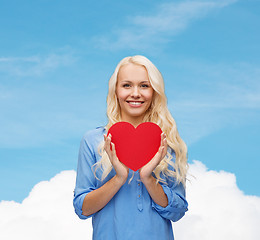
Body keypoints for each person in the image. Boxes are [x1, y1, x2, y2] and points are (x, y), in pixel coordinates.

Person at [73, 55, 188, 240]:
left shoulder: (167, 143)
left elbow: (178, 211)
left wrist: (147, 178)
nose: (135, 93)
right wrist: (119, 177)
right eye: (127, 85)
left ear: (154, 91)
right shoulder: (93, 140)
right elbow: (82, 208)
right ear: (116, 91)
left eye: (144, 85)